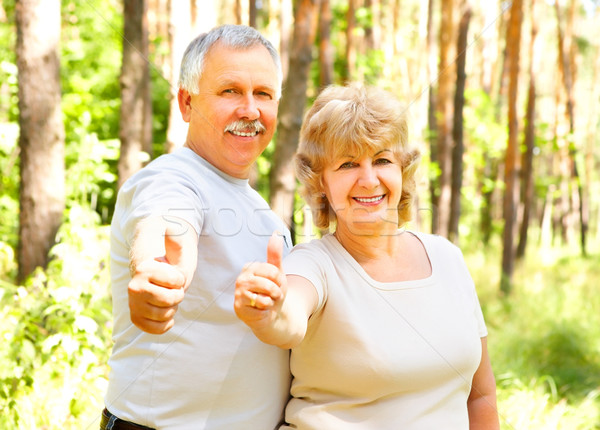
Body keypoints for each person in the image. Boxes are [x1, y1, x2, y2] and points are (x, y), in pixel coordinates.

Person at [235, 83, 500, 429]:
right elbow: (289, 318)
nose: (369, 179)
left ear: (402, 171)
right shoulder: (313, 264)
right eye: (347, 164)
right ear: (321, 184)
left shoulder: (447, 258)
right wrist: (268, 314)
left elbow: (480, 396)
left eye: (382, 160)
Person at [101, 25, 293, 429]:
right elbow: (166, 224)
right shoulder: (171, 178)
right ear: (187, 103)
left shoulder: (266, 216)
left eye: (263, 94)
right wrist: (155, 272)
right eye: (230, 91)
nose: (250, 110)